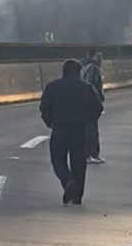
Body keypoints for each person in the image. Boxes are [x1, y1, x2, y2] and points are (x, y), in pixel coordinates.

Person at [39, 59, 103, 206]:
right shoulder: (86, 88)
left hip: (60, 129)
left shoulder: (53, 87)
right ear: (78, 71)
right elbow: (97, 107)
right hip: (80, 131)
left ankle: (68, 180)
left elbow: (44, 107)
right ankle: (77, 196)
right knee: (79, 163)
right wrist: (88, 121)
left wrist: (50, 122)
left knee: (58, 160)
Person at [81, 50, 106, 165]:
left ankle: (88, 154)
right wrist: (97, 100)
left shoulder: (84, 67)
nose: (101, 59)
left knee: (87, 129)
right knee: (92, 130)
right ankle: (92, 154)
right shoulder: (93, 68)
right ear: (92, 57)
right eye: (98, 57)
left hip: (84, 103)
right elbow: (90, 85)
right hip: (91, 104)